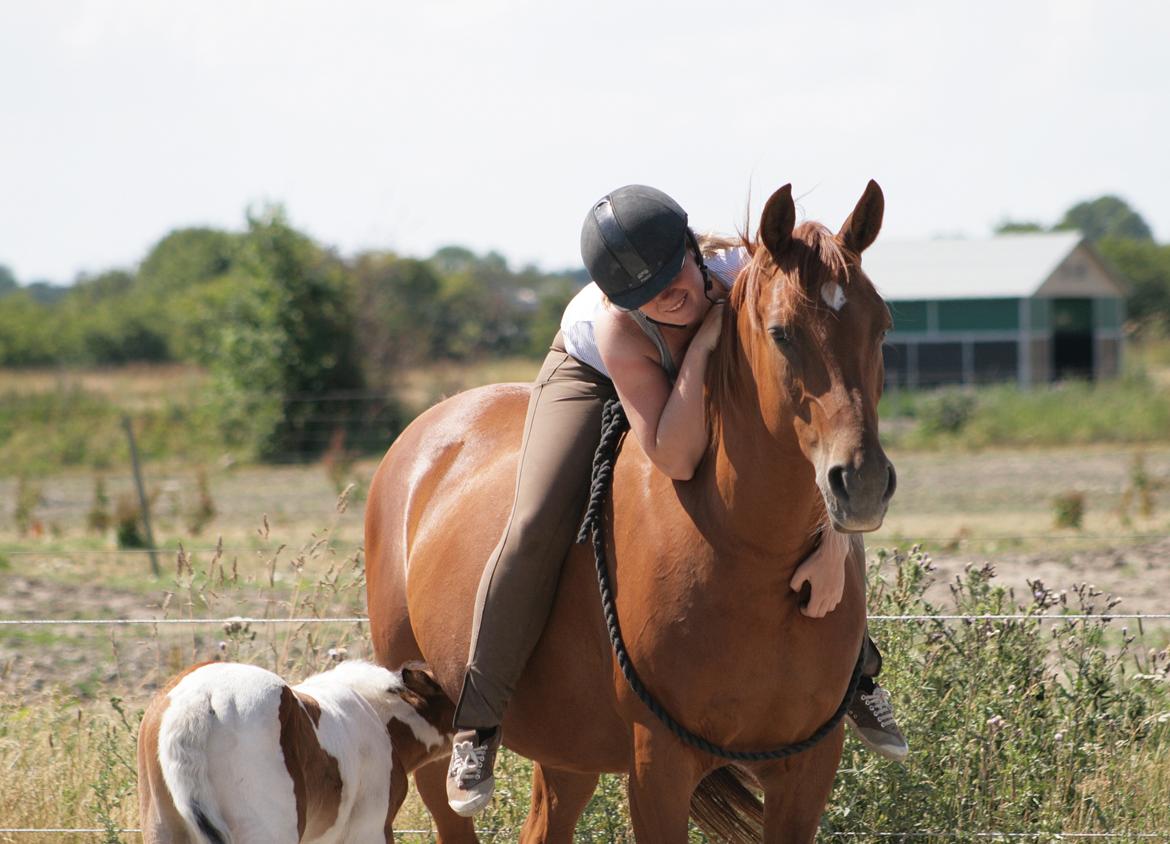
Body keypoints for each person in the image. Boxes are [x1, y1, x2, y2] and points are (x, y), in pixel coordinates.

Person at [446, 185, 907, 817]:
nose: (669, 296)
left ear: (694, 250)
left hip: (719, 342)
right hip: (598, 372)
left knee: (809, 483)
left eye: (675, 277)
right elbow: (675, 455)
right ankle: (478, 723)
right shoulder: (616, 324)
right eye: (646, 293)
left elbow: (810, 425)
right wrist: (706, 343)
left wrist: (834, 542)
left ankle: (854, 672)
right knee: (533, 522)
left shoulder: (756, 282)